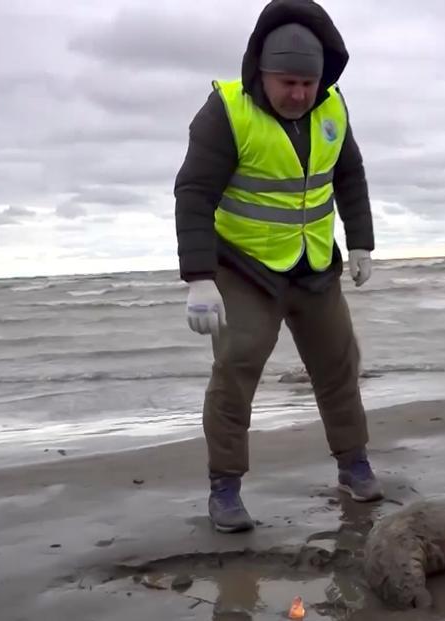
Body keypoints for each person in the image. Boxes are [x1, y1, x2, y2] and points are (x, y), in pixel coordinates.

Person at [173, 0, 383, 533]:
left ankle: (353, 464)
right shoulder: (226, 112)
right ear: (262, 74)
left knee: (339, 363)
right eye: (287, 82)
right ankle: (225, 488)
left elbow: (350, 176)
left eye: (308, 83)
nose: (298, 94)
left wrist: (360, 243)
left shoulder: (334, 109)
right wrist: (199, 277)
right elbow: (194, 193)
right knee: (236, 368)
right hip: (244, 270)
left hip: (313, 266)